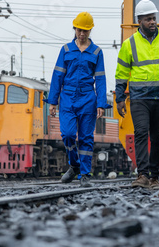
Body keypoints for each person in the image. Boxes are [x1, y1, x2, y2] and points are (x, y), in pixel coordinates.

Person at [115, 0, 159, 189]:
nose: (152, 22)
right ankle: (142, 174)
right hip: (139, 98)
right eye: (148, 19)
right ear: (139, 20)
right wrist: (119, 97)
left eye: (154, 18)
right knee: (141, 133)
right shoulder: (129, 44)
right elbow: (122, 72)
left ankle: (155, 176)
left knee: (157, 138)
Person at [46, 12, 110, 187]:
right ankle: (74, 165)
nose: (82, 34)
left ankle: (85, 174)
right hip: (67, 97)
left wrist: (101, 103)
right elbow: (57, 75)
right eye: (79, 30)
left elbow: (101, 79)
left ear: (90, 31)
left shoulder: (96, 52)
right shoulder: (66, 50)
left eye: (86, 31)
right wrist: (53, 101)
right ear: (74, 29)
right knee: (67, 134)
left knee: (86, 137)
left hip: (88, 98)